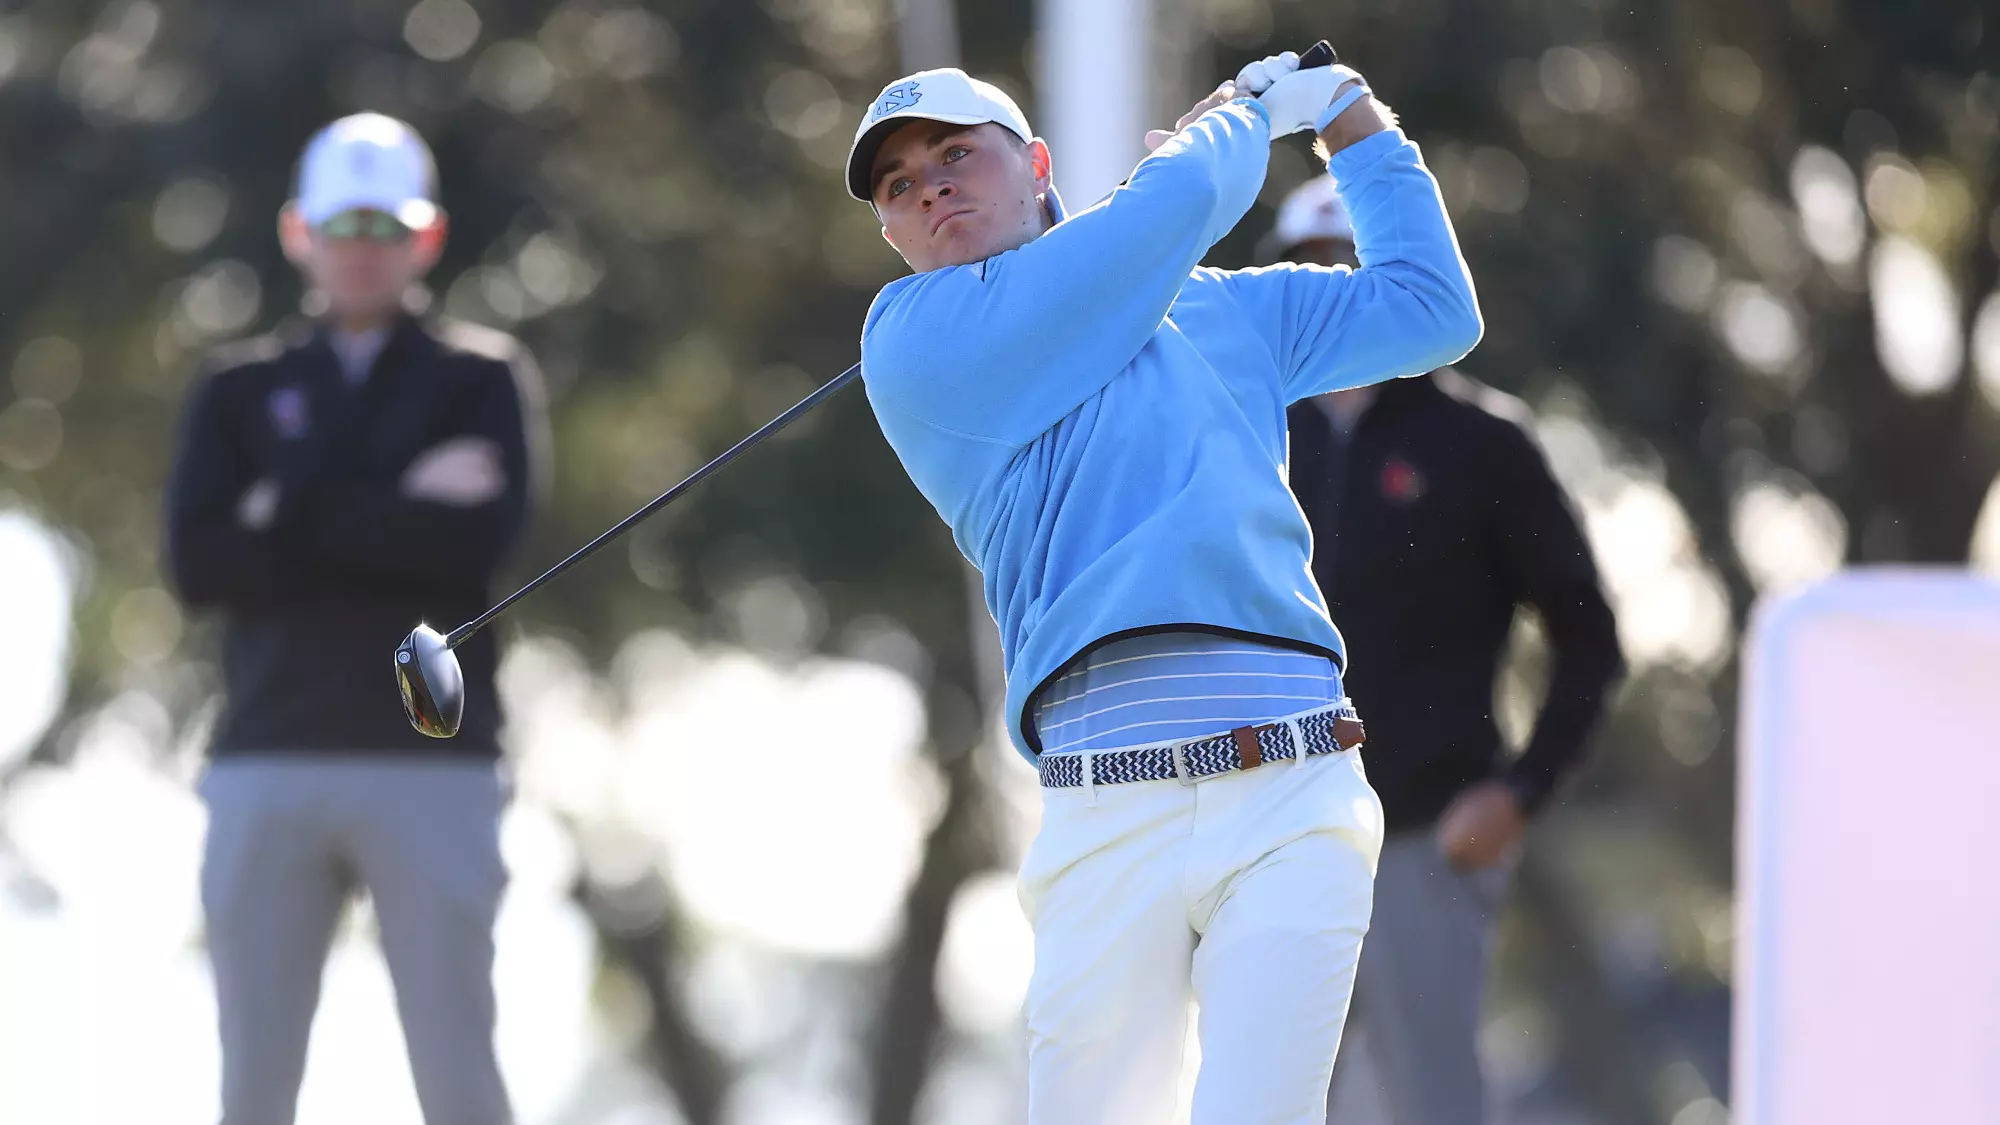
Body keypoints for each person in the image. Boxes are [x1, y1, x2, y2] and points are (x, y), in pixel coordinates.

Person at [846, 48, 1480, 1125]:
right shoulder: (912, 343)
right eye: (899, 185)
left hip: (1293, 783)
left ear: (1036, 166)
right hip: (1107, 811)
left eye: (956, 155)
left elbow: (1430, 309)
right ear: (891, 233)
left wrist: (1349, 119)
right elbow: (1178, 198)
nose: (931, 187)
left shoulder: (1222, 309)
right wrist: (1238, 118)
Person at [163, 113, 546, 1125]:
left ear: (424, 237)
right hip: (263, 759)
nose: (364, 249)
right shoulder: (237, 389)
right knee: (254, 1084)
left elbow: (474, 547)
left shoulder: (482, 377)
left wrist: (282, 505)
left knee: (459, 1077)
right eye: (345, 226)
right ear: (300, 232)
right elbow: (199, 566)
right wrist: (400, 496)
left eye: (386, 227)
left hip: (436, 764)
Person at [1269, 178, 1625, 1125]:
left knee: (1429, 1104)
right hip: (1268, 838)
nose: (1327, 288)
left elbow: (1589, 640)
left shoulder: (1484, 443)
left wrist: (1520, 793)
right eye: (1306, 269)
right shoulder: (1255, 429)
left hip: (1425, 834)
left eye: (1347, 266)